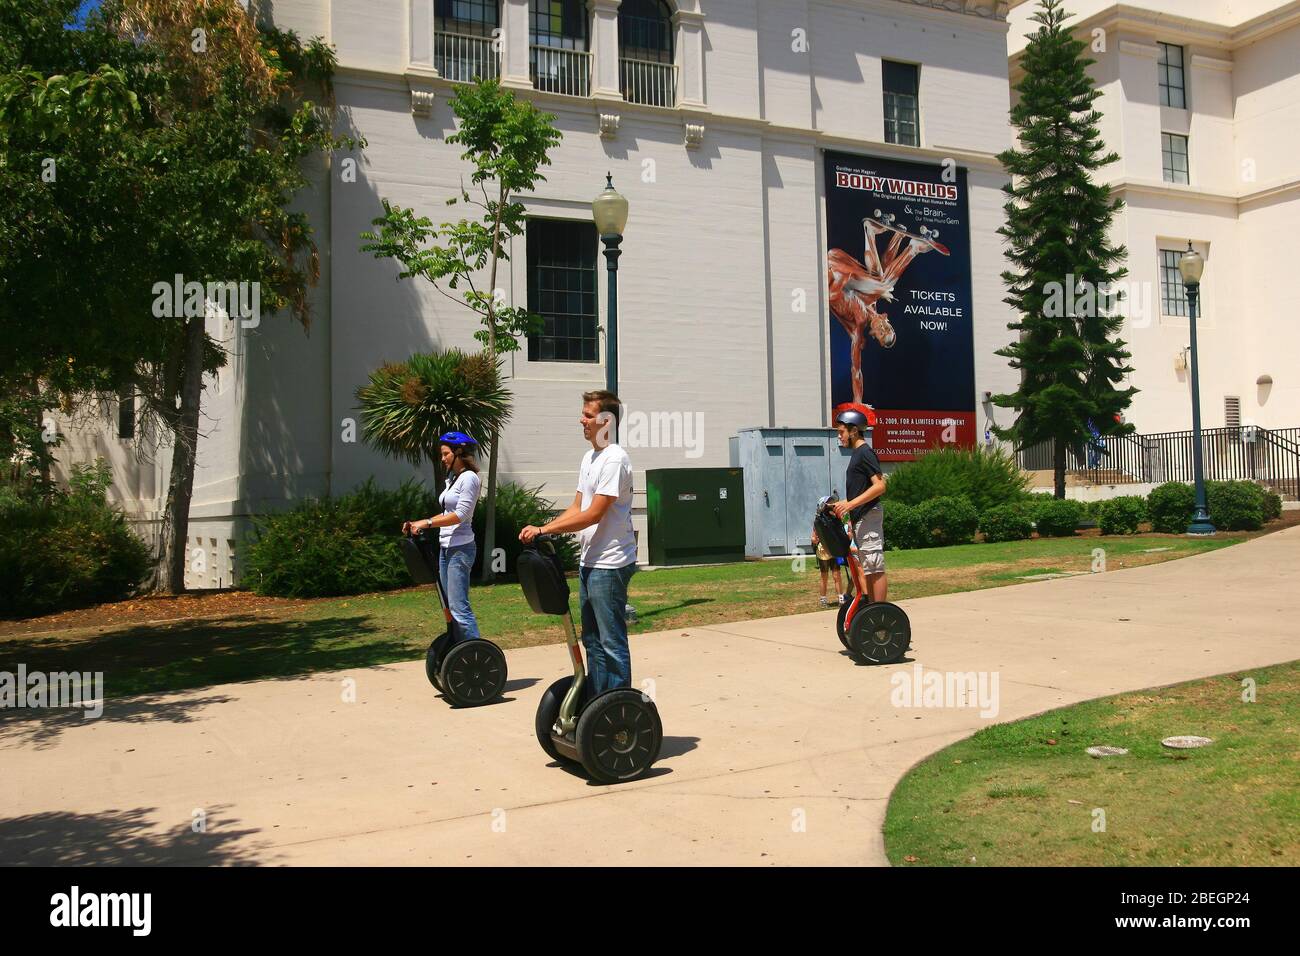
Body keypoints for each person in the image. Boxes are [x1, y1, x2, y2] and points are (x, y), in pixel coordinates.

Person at [519, 390, 636, 695]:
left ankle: (621, 708)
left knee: (610, 642)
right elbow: (577, 508)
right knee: (592, 641)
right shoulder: (589, 458)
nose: (580, 420)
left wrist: (545, 531)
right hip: (590, 561)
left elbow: (594, 515)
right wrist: (543, 527)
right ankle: (598, 704)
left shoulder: (615, 459)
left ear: (605, 420)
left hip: (610, 564)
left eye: (587, 414)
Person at [402, 432, 483, 642]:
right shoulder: (452, 479)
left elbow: (461, 515)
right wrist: (420, 523)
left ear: (459, 452)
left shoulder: (470, 478)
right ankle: (459, 651)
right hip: (446, 548)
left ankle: (474, 654)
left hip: (461, 548)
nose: (443, 458)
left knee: (459, 606)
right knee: (449, 605)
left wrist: (428, 523)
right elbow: (447, 514)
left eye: (446, 454)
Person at [830, 408, 888, 603]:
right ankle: (873, 610)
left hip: (869, 516)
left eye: (841, 432)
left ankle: (880, 613)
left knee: (874, 566)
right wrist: (843, 504)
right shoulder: (857, 454)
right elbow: (860, 491)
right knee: (868, 567)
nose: (839, 436)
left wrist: (851, 504)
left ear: (854, 431)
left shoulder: (865, 452)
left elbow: (880, 486)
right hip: (861, 517)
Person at [811, 523, 846, 607]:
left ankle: (841, 598)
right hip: (823, 551)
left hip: (834, 551)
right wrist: (815, 540)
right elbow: (813, 537)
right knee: (824, 576)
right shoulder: (819, 522)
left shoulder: (834, 521)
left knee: (837, 575)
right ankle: (823, 599)